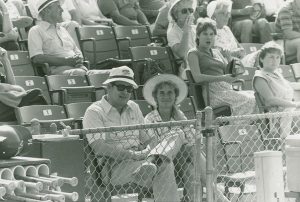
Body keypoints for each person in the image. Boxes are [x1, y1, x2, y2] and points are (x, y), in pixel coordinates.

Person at [83, 66, 183, 202]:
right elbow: (99, 147)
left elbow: (149, 138)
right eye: (121, 87)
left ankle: (152, 162)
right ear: (109, 87)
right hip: (115, 166)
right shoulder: (94, 111)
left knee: (177, 133)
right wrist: (132, 155)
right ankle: (152, 164)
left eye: (129, 89)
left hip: (142, 159)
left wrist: (154, 151)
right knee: (166, 165)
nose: (125, 92)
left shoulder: (133, 107)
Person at [143, 74, 230, 202]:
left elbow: (195, 140)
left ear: (175, 97)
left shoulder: (179, 116)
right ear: (155, 97)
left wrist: (182, 120)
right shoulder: (150, 119)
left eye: (170, 93)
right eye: (161, 93)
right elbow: (155, 147)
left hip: (185, 161)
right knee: (190, 150)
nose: (166, 96)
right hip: (165, 163)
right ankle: (219, 196)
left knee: (190, 171)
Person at [187, 18, 257, 117]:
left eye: (212, 34)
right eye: (205, 34)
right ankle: (236, 127)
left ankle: (247, 128)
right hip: (212, 93)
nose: (209, 38)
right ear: (198, 35)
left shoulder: (216, 52)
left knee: (257, 96)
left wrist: (229, 57)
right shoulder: (193, 53)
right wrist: (222, 78)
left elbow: (234, 75)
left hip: (226, 89)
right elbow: (197, 78)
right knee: (250, 100)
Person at [28, 0, 104, 76]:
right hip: (58, 74)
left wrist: (78, 59)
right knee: (81, 74)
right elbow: (37, 58)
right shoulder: (36, 30)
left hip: (79, 70)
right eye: (58, 7)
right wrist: (66, 61)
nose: (62, 10)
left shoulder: (63, 29)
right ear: (47, 10)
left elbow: (77, 52)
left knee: (111, 73)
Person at [253, 42, 300, 138]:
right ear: (261, 58)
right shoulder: (260, 77)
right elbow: (271, 100)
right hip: (277, 116)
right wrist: (295, 104)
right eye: (271, 57)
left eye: (278, 57)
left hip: (290, 111)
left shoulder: (277, 74)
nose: (275, 60)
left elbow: (289, 86)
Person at [0, 47, 47, 122]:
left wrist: (5, 61)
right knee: (35, 97)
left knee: (36, 96)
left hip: (5, 103)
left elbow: (11, 85)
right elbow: (7, 87)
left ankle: (38, 127)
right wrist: (12, 88)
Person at [167, 0, 197, 79]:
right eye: (184, 11)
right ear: (176, 15)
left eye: (190, 10)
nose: (188, 14)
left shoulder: (196, 28)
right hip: (187, 68)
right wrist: (186, 31)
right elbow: (182, 54)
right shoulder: (172, 32)